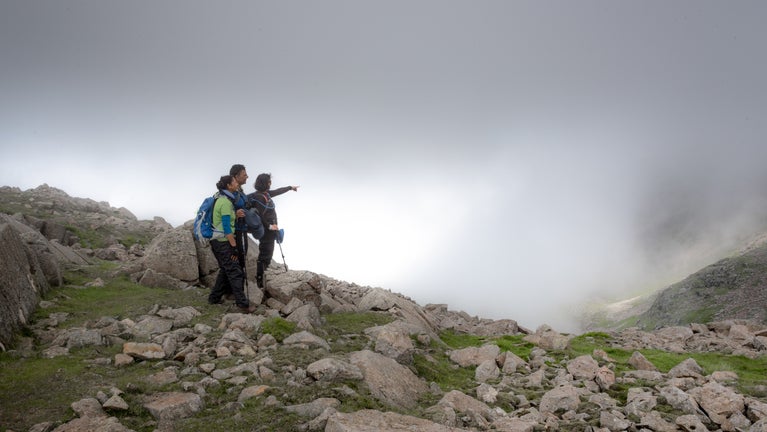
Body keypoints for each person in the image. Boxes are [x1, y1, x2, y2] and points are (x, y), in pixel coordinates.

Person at [208, 175, 256, 313]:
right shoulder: (225, 202)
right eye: (234, 182)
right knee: (235, 272)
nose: (236, 183)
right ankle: (243, 304)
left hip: (219, 242)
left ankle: (214, 298)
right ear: (229, 186)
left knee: (225, 269)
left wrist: (236, 213)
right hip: (223, 242)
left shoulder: (224, 200)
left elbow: (226, 219)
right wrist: (234, 247)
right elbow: (227, 228)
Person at [248, 173, 299, 290]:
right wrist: (270, 226)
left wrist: (290, 187)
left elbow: (278, 191)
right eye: (269, 181)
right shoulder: (260, 197)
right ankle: (260, 281)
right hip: (267, 231)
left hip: (270, 230)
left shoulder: (265, 194)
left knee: (267, 254)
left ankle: (262, 277)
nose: (271, 183)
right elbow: (260, 215)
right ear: (266, 183)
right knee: (265, 255)